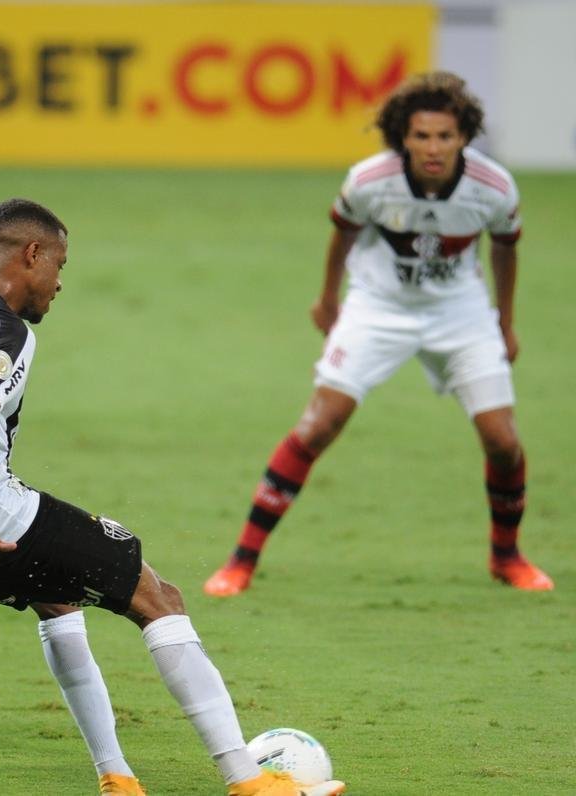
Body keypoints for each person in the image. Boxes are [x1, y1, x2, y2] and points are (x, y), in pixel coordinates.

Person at [0, 199, 346, 796]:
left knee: (57, 601)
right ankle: (248, 780)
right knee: (159, 598)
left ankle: (117, 778)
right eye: (59, 265)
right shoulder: (5, 329)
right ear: (32, 254)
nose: (59, 283)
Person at [204, 71, 553, 597]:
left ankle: (508, 557)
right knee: (318, 426)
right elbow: (341, 237)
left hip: (461, 314)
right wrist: (329, 300)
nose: (432, 148)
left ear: (463, 137)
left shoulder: (494, 187)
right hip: (378, 307)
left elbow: (506, 249)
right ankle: (240, 562)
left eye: (445, 136)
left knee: (503, 441)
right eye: (421, 136)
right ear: (402, 137)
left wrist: (504, 322)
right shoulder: (369, 181)